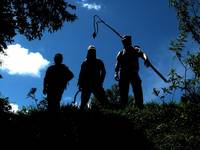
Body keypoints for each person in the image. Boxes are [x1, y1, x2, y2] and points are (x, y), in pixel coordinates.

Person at [114, 35, 150, 109]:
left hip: (133, 72)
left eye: (126, 41)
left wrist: (146, 59)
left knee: (137, 90)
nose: (125, 42)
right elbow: (117, 64)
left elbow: (143, 54)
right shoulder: (121, 52)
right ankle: (123, 107)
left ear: (129, 41)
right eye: (124, 41)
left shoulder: (135, 49)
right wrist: (115, 73)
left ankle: (139, 106)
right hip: (123, 73)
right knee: (123, 92)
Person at [77, 45, 108, 110]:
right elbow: (81, 73)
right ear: (88, 52)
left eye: (93, 51)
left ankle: (109, 112)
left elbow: (104, 72)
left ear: (95, 52)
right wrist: (80, 83)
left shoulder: (98, 61)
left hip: (96, 84)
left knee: (104, 101)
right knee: (83, 103)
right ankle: (80, 114)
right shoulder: (84, 63)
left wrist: (100, 81)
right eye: (90, 51)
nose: (92, 52)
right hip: (86, 85)